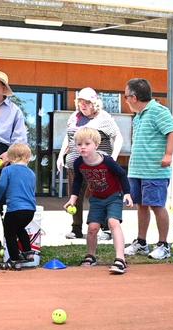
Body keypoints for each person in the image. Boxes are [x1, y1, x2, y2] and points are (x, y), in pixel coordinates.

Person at [63, 127, 133, 274]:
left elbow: (121, 175)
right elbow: (78, 181)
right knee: (92, 228)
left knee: (113, 222)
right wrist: (73, 198)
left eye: (87, 144)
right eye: (79, 144)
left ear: (96, 144)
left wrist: (127, 193)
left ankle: (120, 259)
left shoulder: (107, 161)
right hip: (96, 198)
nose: (82, 147)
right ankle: (91, 256)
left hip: (114, 196)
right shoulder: (78, 163)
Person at [56, 87, 123, 240]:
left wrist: (112, 158)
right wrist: (61, 155)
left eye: (86, 102)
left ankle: (106, 229)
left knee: (102, 195)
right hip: (76, 164)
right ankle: (76, 228)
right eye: (80, 101)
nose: (83, 105)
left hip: (98, 166)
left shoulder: (103, 118)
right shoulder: (74, 116)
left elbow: (118, 138)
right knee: (75, 196)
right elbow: (70, 137)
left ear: (95, 104)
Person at [122, 78, 173, 260]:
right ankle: (141, 242)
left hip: (154, 171)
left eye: (126, 96)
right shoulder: (138, 116)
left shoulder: (157, 111)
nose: (126, 100)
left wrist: (168, 155)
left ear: (134, 97)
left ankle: (163, 245)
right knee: (141, 206)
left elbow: (171, 130)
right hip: (137, 170)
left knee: (157, 206)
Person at [0, 69, 27, 247]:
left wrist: (9, 155)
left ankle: (11, 241)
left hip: (5, 154)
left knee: (5, 199)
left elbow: (21, 140)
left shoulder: (14, 111)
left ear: (3, 89)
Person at [0, 143, 36, 270]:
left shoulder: (7, 170)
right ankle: (28, 252)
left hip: (15, 209)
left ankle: (15, 259)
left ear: (9, 158)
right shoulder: (31, 173)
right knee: (20, 228)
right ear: (28, 158)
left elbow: (0, 187)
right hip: (30, 210)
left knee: (9, 233)